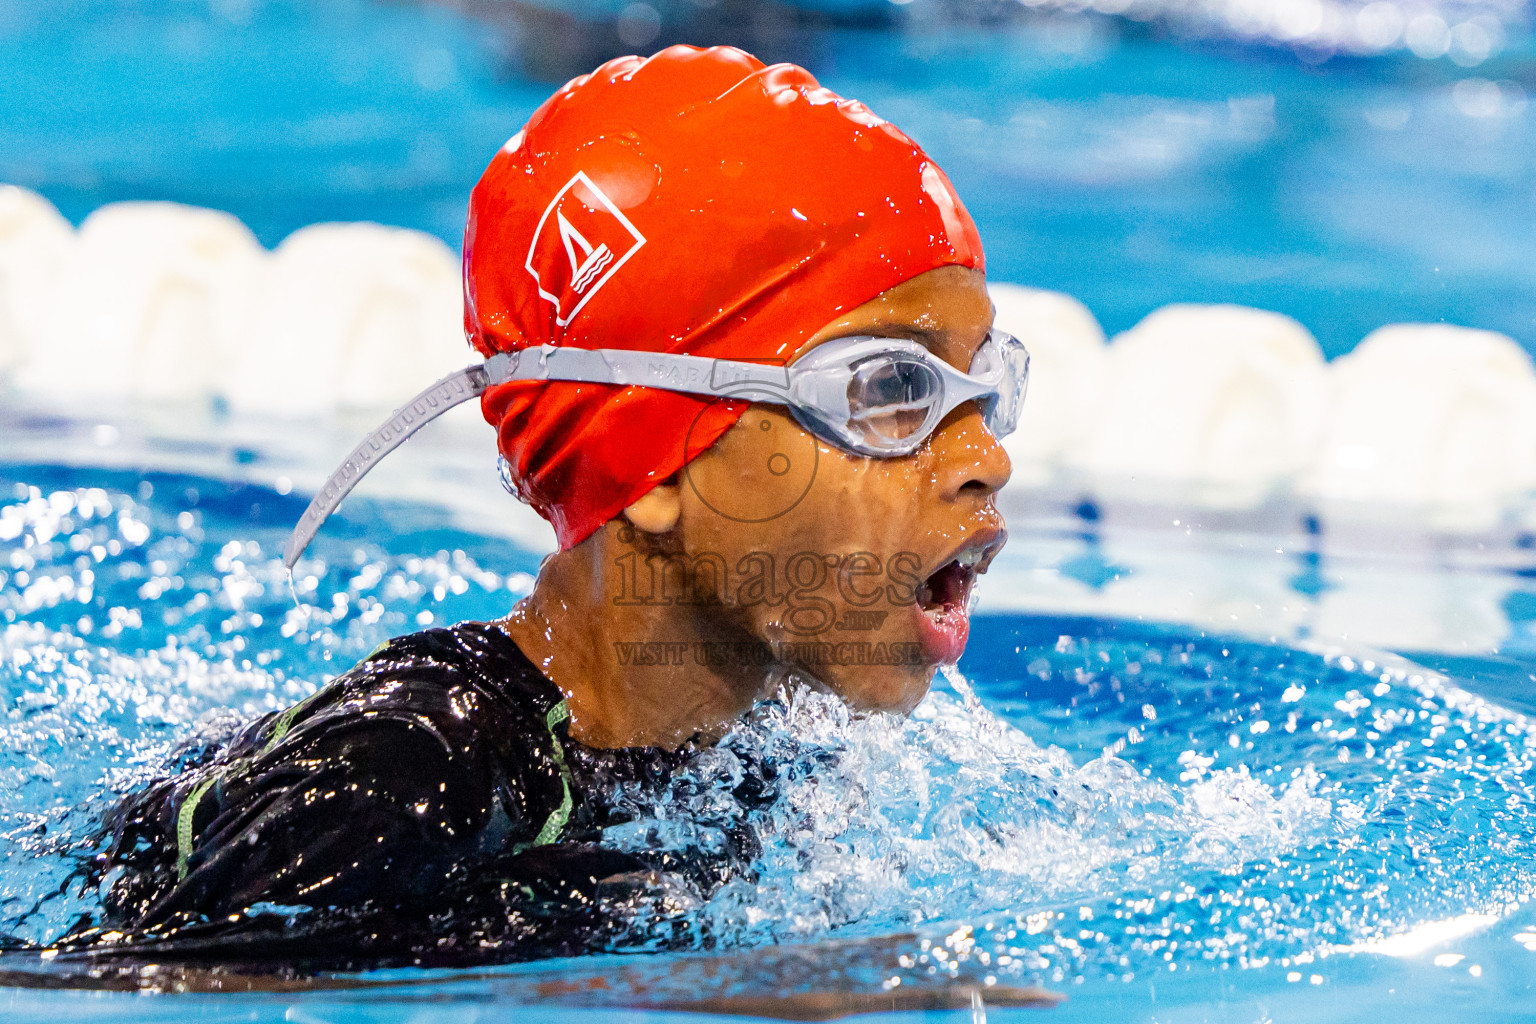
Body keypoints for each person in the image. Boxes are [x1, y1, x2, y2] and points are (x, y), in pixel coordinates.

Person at [60, 44, 1020, 970]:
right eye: (890, 388)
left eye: (981, 388)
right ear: (653, 464)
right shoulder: (407, 777)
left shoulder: (775, 754)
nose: (987, 460)